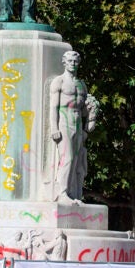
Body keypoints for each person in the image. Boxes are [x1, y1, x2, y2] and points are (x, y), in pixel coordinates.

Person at [49, 51, 95, 202]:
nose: (72, 64)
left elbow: (82, 109)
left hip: (77, 122)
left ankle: (72, 193)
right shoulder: (59, 81)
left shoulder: (81, 84)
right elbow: (53, 107)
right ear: (64, 62)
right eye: (69, 61)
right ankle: (61, 193)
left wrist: (91, 111)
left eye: (75, 61)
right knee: (66, 157)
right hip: (64, 121)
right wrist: (54, 127)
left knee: (76, 159)